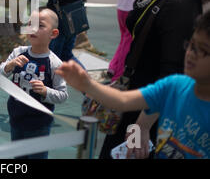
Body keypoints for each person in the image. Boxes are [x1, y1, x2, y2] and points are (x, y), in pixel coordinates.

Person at [97, 0, 209, 159]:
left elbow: (173, 70)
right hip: (136, 103)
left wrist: (142, 125)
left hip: (147, 114)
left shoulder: (181, 2)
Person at [56, 10, 210, 159]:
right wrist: (87, 85)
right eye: (191, 45)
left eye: (202, 50)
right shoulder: (175, 85)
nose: (191, 54)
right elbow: (123, 101)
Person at [0, 7, 68, 159]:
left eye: (40, 25)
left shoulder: (55, 63)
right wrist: (10, 65)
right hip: (15, 117)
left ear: (53, 34)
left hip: (39, 124)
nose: (33, 28)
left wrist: (45, 91)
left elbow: (62, 95)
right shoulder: (18, 53)